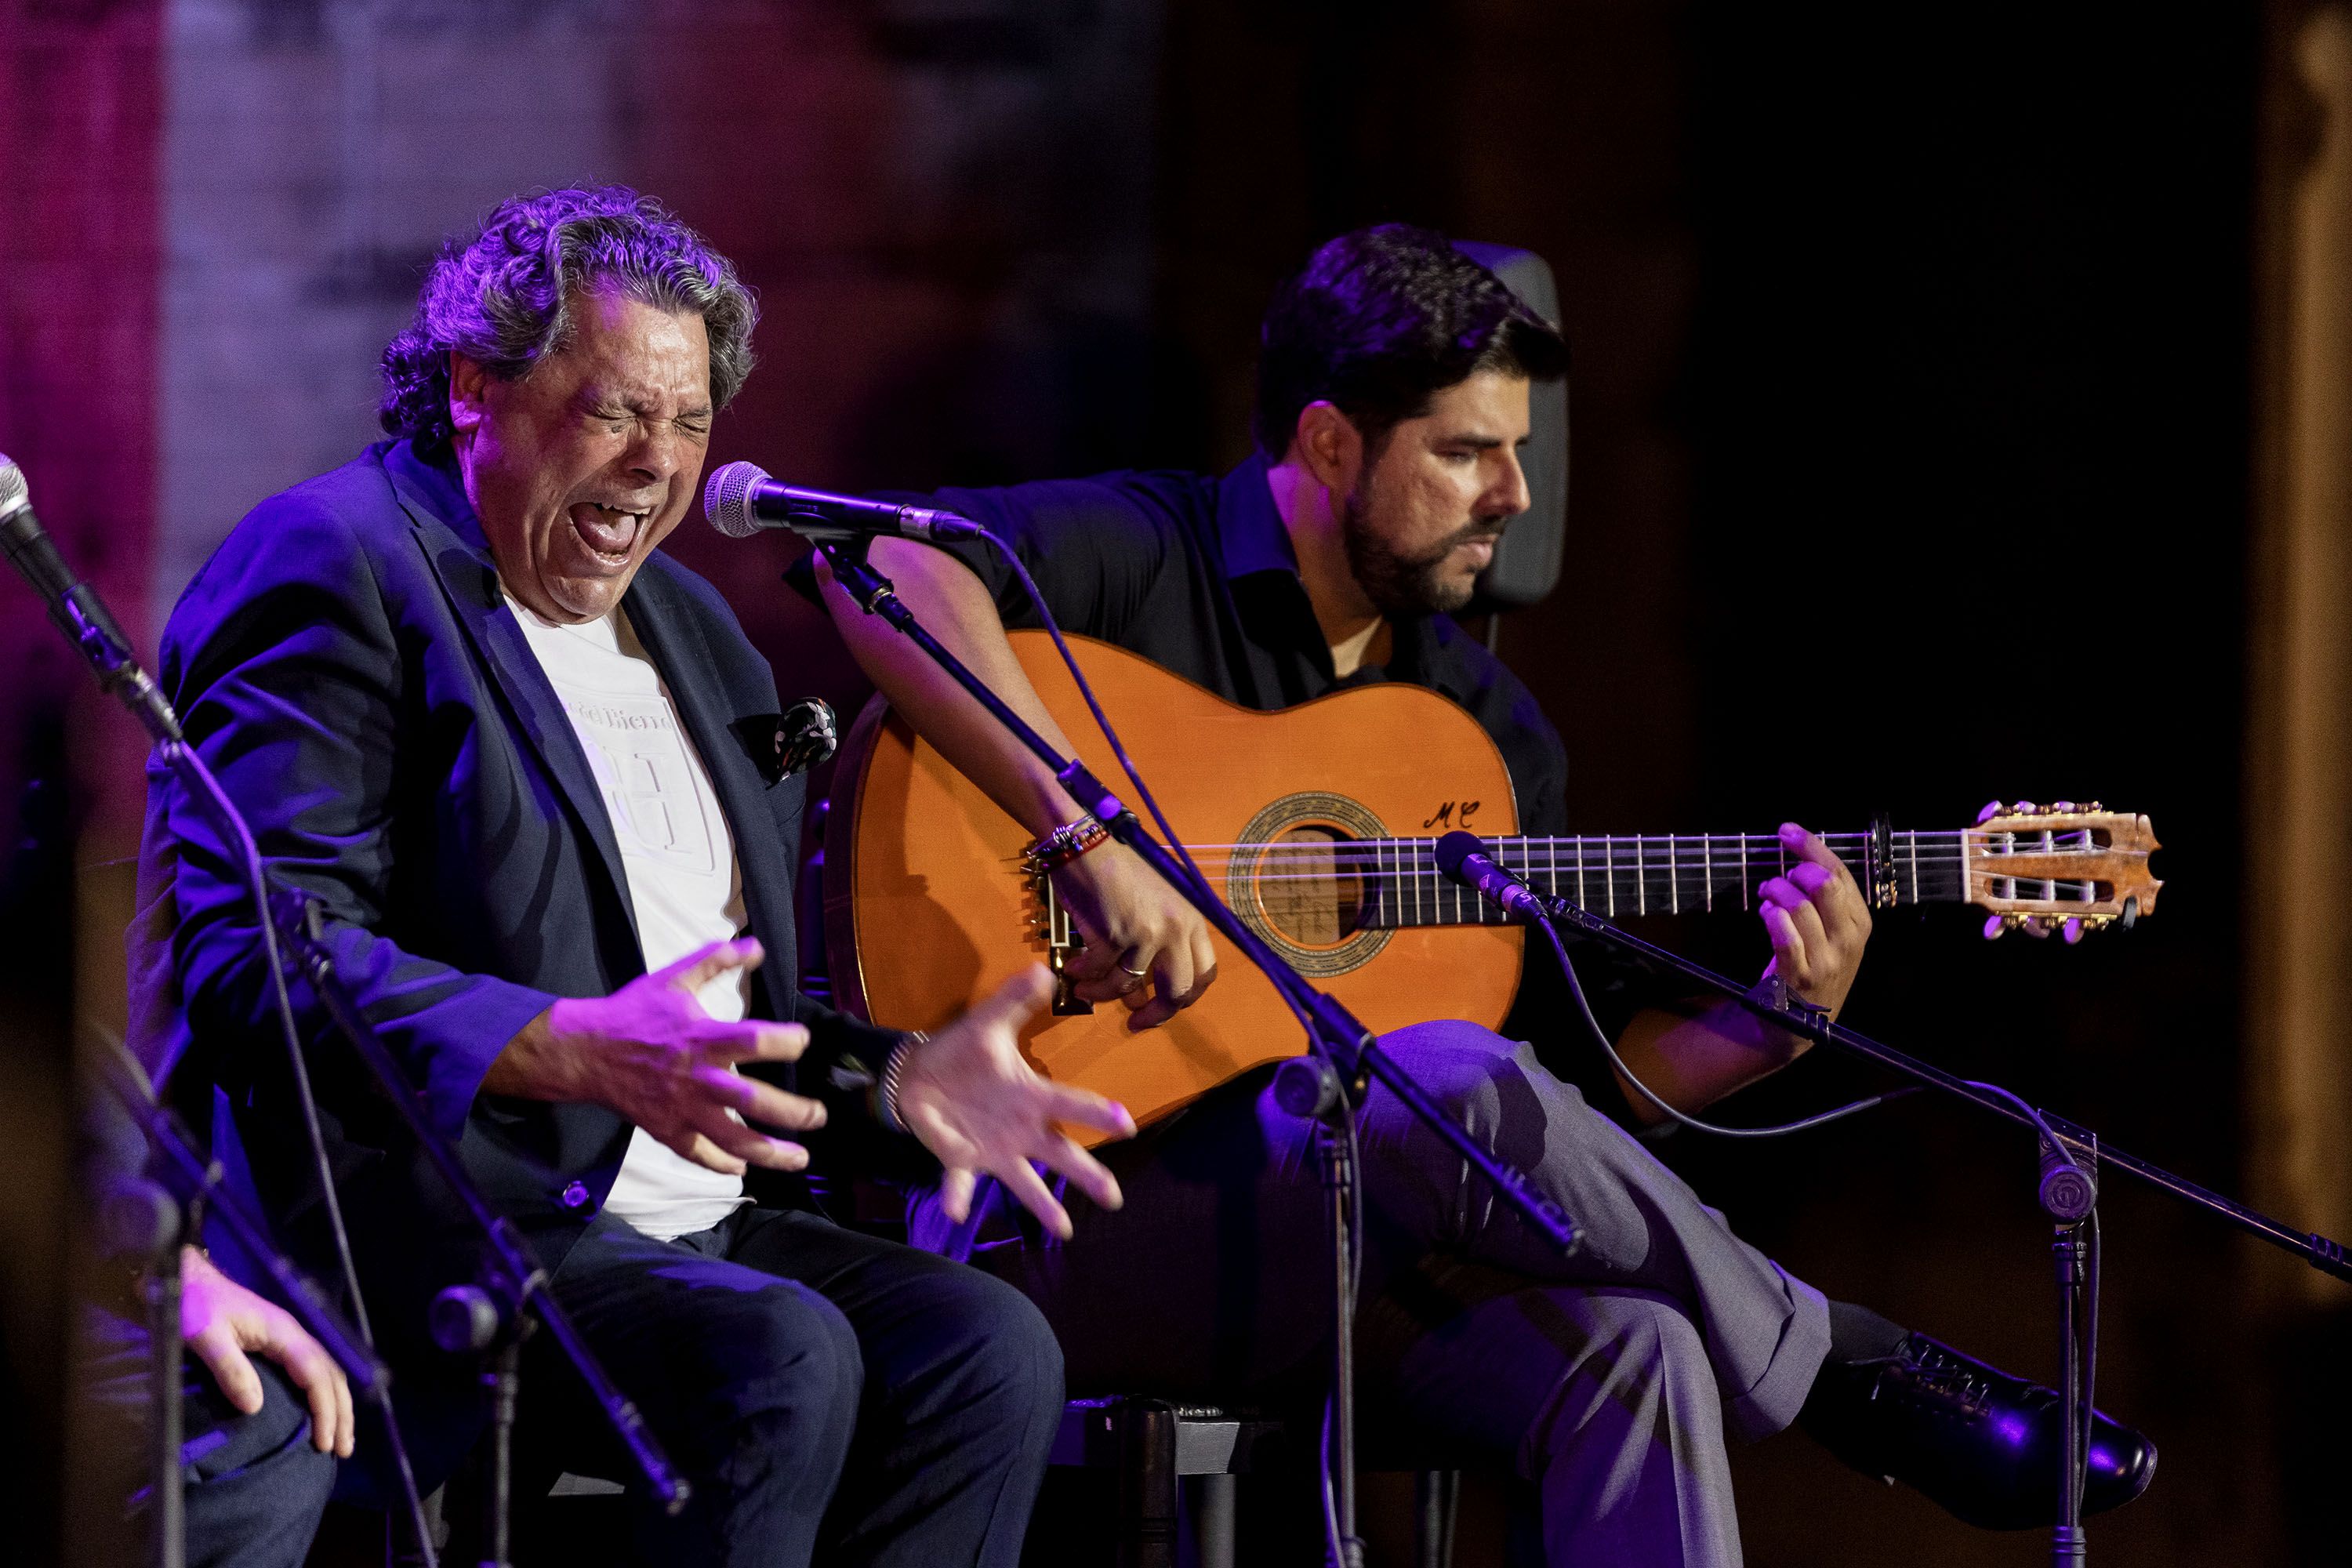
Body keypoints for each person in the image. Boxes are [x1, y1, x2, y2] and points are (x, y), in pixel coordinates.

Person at [818, 224, 2156, 1564]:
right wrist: (1085, 836)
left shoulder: (1485, 731)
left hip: (1350, 1259)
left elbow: (1560, 1121)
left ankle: (1802, 1367)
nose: (1514, 493)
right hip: (1073, 1222)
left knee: (1640, 1352)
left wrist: (1767, 1031)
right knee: (1437, 1074)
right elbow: (875, 563)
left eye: (1518, 448)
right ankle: (1845, 1371)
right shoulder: (1145, 553)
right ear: (1333, 444)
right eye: (1465, 451)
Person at [129, 185, 1134, 1567]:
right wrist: (567, 1051)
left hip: (698, 1225)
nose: (658, 464)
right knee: (783, 1353)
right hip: (454, 1236)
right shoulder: (341, 566)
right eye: (613, 411)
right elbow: (263, 955)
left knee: (988, 1349)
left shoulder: (695, 625)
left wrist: (896, 1082)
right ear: (475, 386)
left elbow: (704, 1028)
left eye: (689, 421)